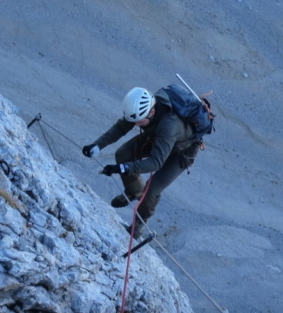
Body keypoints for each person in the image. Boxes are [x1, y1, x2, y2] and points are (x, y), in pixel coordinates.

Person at [82, 86, 201, 230]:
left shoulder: (169, 125)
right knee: (123, 154)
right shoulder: (140, 110)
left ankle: (139, 223)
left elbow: (156, 163)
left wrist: (123, 168)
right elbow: (121, 127)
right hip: (158, 137)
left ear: (152, 112)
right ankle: (134, 191)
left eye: (139, 121)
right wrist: (97, 145)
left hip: (182, 153)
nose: (136, 124)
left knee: (152, 189)